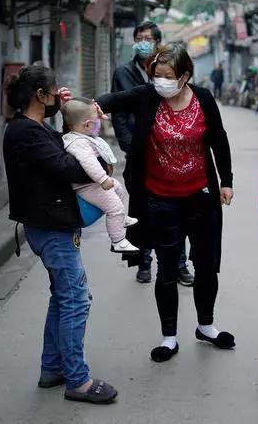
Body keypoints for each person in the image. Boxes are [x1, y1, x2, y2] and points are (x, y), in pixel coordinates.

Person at [96, 43, 236, 363]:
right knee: (167, 268)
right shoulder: (148, 96)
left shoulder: (203, 98)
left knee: (206, 265)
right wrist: (88, 106)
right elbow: (113, 101)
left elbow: (219, 139)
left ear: (185, 75)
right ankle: (169, 337)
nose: (161, 82)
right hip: (159, 199)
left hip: (200, 196)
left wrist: (225, 181)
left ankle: (206, 326)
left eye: (168, 76)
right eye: (156, 75)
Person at [2, 64, 118, 404]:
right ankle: (77, 380)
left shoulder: (32, 128)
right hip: (51, 227)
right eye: (54, 93)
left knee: (63, 297)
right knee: (76, 300)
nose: (58, 97)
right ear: (40, 95)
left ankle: (52, 368)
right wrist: (100, 163)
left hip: (48, 224)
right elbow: (69, 165)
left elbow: (59, 148)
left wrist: (66, 119)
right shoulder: (26, 132)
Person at [111, 21, 193, 286]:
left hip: (169, 153)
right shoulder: (123, 72)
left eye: (147, 38)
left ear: (158, 42)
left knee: (177, 211)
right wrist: (128, 145)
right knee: (141, 211)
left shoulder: (171, 70)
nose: (142, 41)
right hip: (139, 154)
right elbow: (119, 113)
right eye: (138, 37)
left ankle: (179, 264)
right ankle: (143, 262)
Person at [60, 97, 140, 254]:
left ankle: (122, 219)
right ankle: (118, 241)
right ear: (87, 125)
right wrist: (103, 179)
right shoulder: (78, 143)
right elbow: (90, 163)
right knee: (115, 208)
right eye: (97, 121)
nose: (100, 122)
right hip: (88, 187)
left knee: (119, 189)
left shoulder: (80, 135)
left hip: (93, 183)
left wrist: (98, 117)